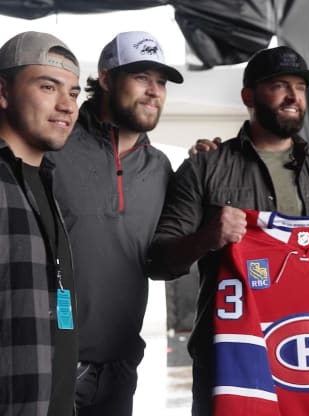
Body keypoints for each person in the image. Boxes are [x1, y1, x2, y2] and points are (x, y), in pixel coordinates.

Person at [146, 45, 309, 416]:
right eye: (279, 85)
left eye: (301, 88)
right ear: (248, 96)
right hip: (231, 356)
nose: (294, 97)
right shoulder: (203, 168)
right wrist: (208, 237)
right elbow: (160, 262)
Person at [47, 31, 183, 416]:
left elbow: (163, 259)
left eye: (161, 82)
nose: (154, 91)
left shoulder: (159, 168)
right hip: (50, 364)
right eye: (142, 77)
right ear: (105, 79)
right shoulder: (55, 143)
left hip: (121, 368)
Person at [0, 31, 81, 416]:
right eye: (48, 87)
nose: (67, 105)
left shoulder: (45, 181)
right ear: (3, 92)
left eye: (74, 93)